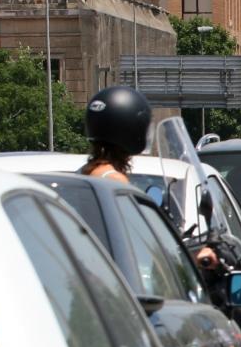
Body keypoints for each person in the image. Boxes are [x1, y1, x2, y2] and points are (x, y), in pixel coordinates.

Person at [80, 85, 220, 272]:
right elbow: (141, 243)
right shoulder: (113, 181)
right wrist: (192, 257)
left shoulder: (86, 173)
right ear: (132, 129)